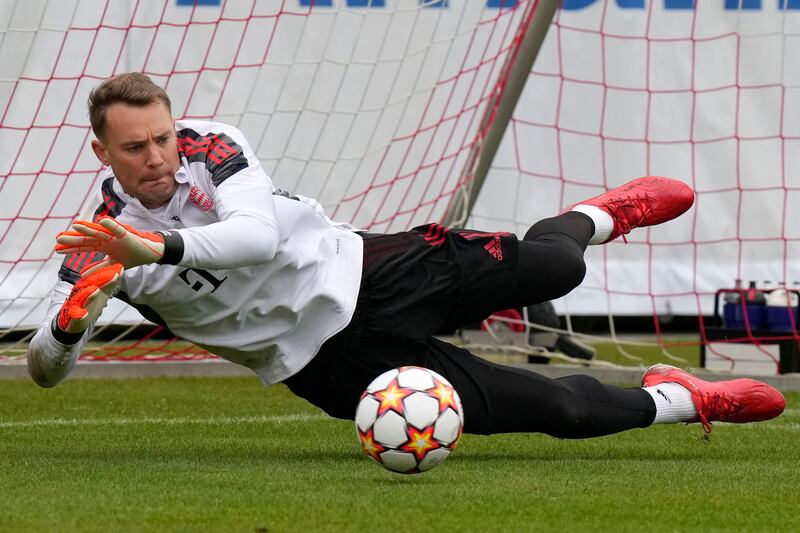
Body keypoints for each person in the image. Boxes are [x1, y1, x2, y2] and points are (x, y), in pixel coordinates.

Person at [27, 72, 785, 438]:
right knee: (556, 408)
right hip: (322, 366)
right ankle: (683, 399)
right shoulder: (96, 242)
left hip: (371, 268)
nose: (159, 155)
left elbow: (253, 236)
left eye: (161, 136)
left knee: (558, 269)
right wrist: (69, 322)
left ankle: (594, 215)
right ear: (103, 151)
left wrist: (151, 244)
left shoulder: (211, 145)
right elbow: (44, 369)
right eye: (137, 147)